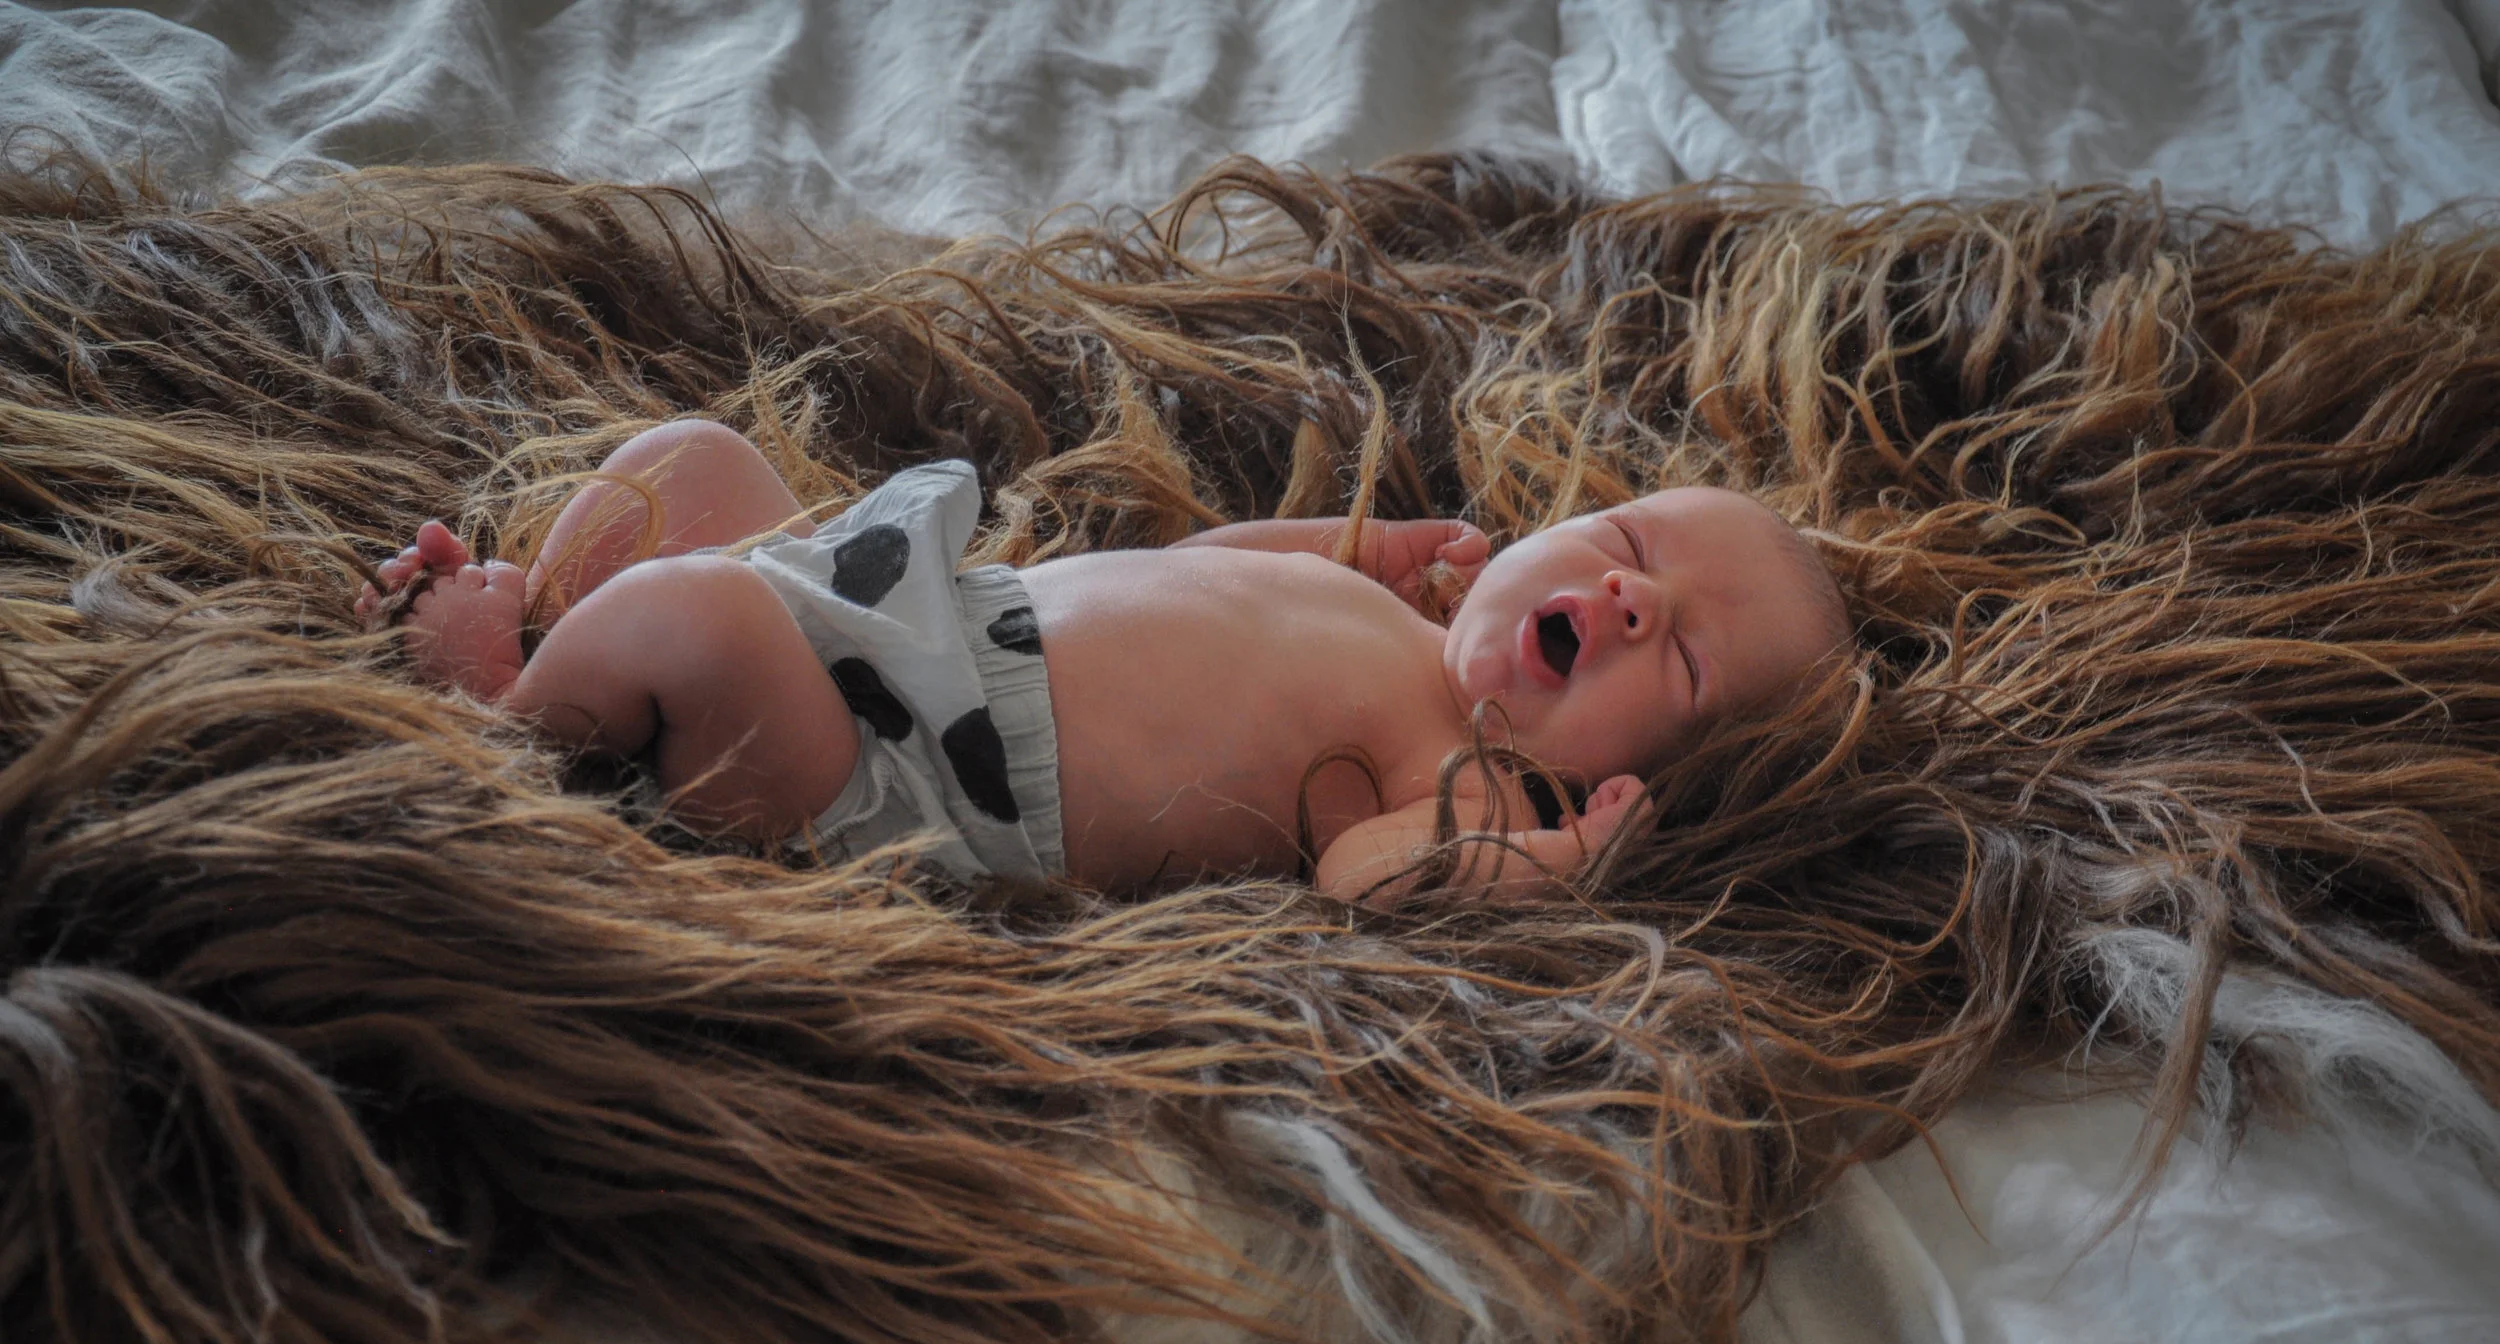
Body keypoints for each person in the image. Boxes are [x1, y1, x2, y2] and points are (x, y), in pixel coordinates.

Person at [360, 419, 1849, 898]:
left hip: (901, 783)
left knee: (697, 618)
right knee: (700, 464)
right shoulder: (1388, 620)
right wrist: (1359, 541)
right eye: (1627, 544)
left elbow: (1361, 883)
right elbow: (1190, 575)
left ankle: (511, 714)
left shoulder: (1478, 785)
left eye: (1689, 662)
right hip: (908, 616)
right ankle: (568, 637)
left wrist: (1558, 864)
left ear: (1654, 776)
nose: (1631, 602)